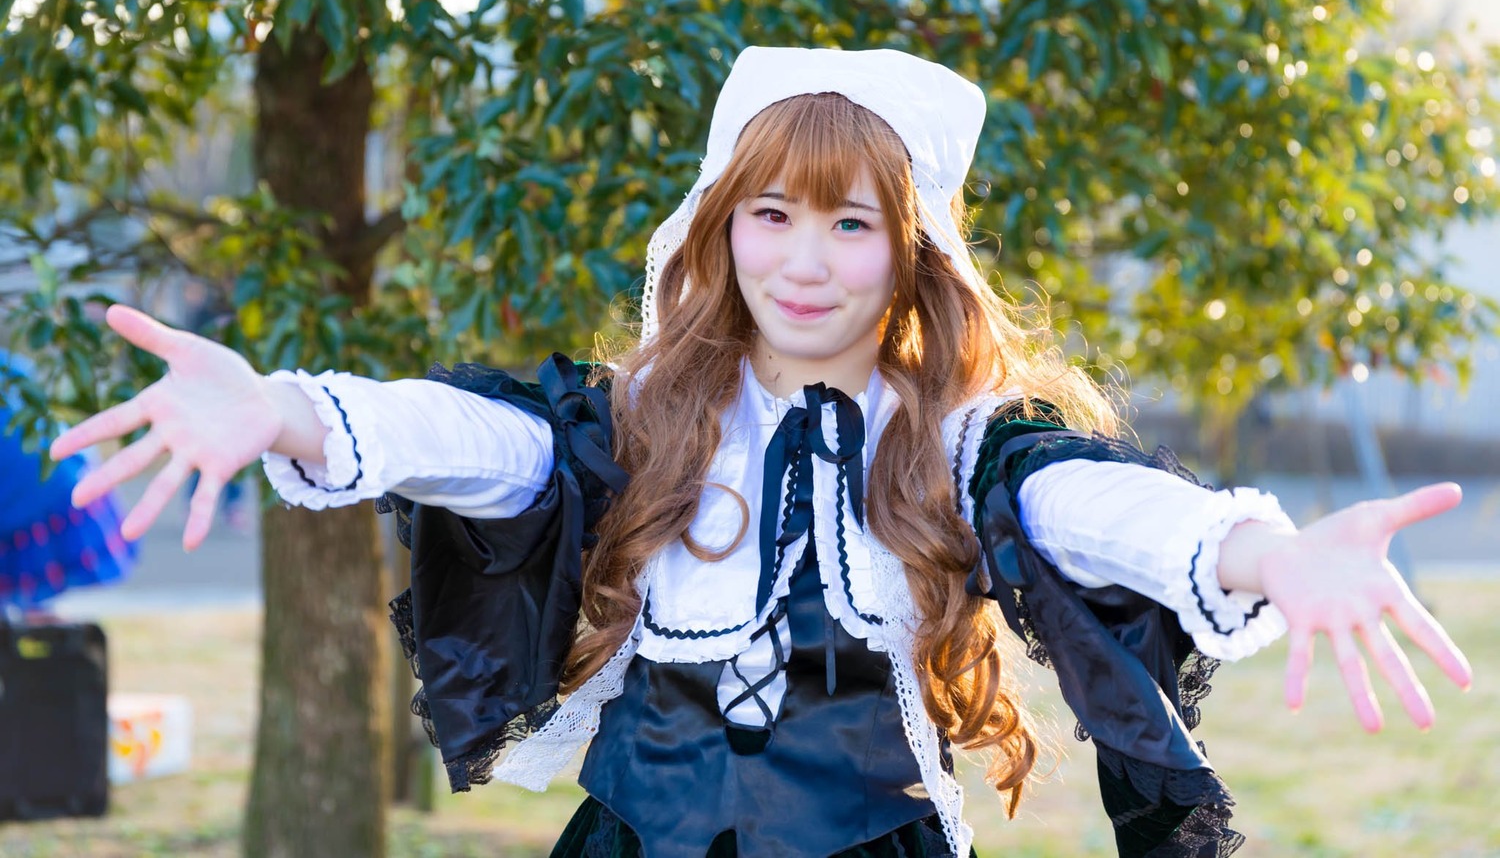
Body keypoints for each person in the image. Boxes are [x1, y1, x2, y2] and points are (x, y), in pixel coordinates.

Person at [50, 47, 1471, 857]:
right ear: (722, 227)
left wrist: (1264, 549)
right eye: (772, 215)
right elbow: (475, 442)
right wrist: (291, 408)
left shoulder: (963, 443)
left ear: (911, 251)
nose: (807, 259)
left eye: (852, 222)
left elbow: (1097, 510)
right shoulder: (641, 416)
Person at [0, 351, 136, 615]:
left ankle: (31, 625)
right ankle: (32, 620)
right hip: (56, 475)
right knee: (29, 593)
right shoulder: (11, 367)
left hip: (39, 482)